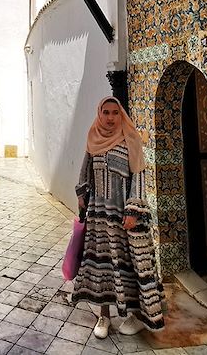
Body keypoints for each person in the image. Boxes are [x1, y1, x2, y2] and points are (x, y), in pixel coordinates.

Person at [73, 96, 165, 339]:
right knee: (101, 267)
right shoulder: (93, 138)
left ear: (121, 114)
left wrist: (133, 210)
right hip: (98, 218)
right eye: (106, 112)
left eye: (115, 113)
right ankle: (104, 315)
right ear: (99, 113)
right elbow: (85, 172)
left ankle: (134, 316)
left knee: (129, 266)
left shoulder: (130, 140)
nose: (110, 117)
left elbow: (140, 177)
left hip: (124, 219)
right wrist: (82, 195)